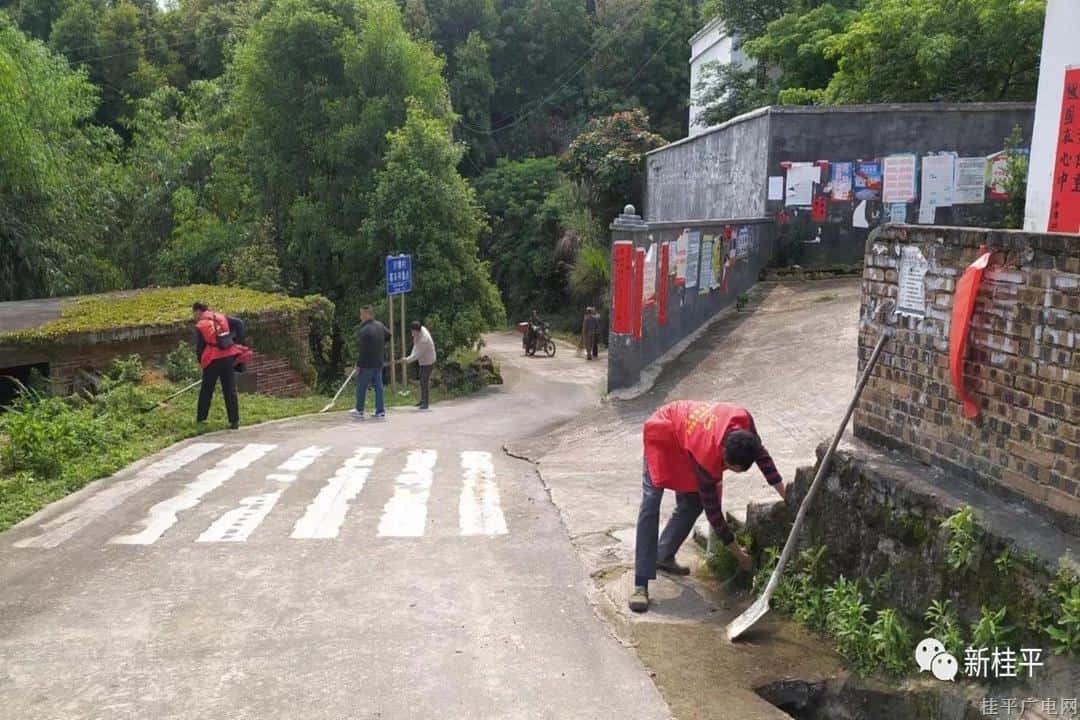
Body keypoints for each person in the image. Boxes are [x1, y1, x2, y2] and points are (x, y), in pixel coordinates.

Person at [630, 401, 787, 613]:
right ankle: (641, 583)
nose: (724, 469)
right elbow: (714, 515)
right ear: (722, 451)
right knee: (651, 503)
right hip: (665, 432)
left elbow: (764, 459)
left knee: (692, 504)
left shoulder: (745, 424)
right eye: (725, 465)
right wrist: (740, 556)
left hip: (688, 440)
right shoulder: (707, 455)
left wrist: (788, 497)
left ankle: (663, 555)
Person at [192, 302, 250, 429]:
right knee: (230, 390)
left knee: (206, 390)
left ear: (198, 311)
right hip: (228, 357)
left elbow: (200, 347)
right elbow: (239, 323)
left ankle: (201, 419)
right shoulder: (221, 317)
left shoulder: (201, 325)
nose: (194, 317)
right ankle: (234, 421)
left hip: (212, 359)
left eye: (194, 313)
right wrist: (239, 343)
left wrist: (201, 362)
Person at [353, 306, 391, 420]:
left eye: (361, 314)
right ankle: (380, 411)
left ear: (367, 314)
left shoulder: (364, 330)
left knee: (361, 386)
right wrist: (379, 346)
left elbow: (362, 349)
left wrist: (358, 364)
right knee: (378, 387)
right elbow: (389, 335)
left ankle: (359, 410)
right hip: (378, 362)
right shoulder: (380, 325)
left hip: (366, 364)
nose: (360, 317)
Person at [403, 320, 436, 411]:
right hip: (423, 360)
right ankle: (422, 400)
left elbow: (418, 353)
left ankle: (426, 403)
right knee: (421, 380)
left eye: (413, 331)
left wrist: (408, 360)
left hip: (428, 361)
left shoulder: (424, 339)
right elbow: (415, 346)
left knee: (424, 381)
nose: (412, 333)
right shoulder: (420, 331)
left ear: (417, 330)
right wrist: (408, 358)